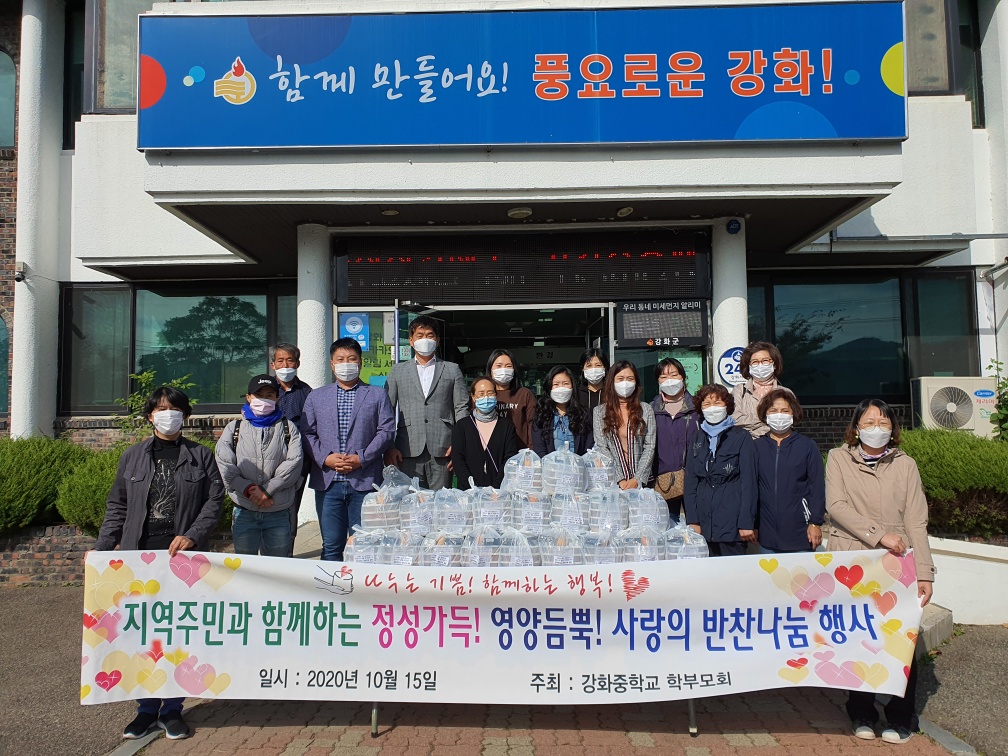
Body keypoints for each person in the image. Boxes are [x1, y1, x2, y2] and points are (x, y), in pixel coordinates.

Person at [96, 386, 224, 741]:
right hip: (139, 558)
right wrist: (102, 550)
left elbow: (214, 502)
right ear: (150, 416)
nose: (168, 415)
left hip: (181, 559)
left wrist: (192, 535)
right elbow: (117, 506)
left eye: (175, 409)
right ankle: (145, 710)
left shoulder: (201, 456)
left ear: (185, 415)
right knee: (143, 635)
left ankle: (172, 709)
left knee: (178, 633)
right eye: (161, 409)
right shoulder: (133, 457)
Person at [826, 399, 935, 745]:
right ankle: (861, 711)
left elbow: (916, 520)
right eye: (869, 422)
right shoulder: (838, 458)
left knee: (900, 640)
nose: (877, 428)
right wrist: (879, 535)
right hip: (852, 559)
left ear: (893, 428)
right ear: (856, 428)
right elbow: (836, 506)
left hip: (897, 564)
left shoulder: (906, 464)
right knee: (857, 637)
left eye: (884, 422)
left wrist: (925, 572)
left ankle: (901, 716)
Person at [303, 338, 396, 561]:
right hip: (328, 482)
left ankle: (363, 584)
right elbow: (307, 433)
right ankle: (331, 584)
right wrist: (325, 458)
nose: (346, 364)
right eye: (340, 359)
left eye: (351, 359)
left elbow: (386, 430)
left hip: (365, 481)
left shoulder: (377, 395)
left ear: (360, 363)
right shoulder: (316, 396)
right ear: (332, 364)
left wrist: (361, 458)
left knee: (365, 544)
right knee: (331, 546)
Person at [215, 375, 304, 557]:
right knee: (245, 566)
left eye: (269, 395)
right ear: (249, 397)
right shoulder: (234, 428)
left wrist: (267, 490)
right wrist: (248, 489)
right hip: (244, 509)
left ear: (277, 398)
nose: (264, 400)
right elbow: (225, 463)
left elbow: (294, 462)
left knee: (276, 566)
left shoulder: (288, 428)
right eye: (258, 395)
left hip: (278, 510)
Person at [383, 316, 469, 489]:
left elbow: (461, 408)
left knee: (441, 500)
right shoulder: (398, 371)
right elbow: (387, 411)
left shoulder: (452, 369)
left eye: (430, 335)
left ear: (437, 340)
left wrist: (459, 445)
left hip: (443, 449)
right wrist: (389, 446)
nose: (425, 339)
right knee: (410, 501)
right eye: (420, 335)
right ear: (411, 340)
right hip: (406, 449)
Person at [683, 383, 757, 557]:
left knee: (733, 571)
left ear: (727, 406)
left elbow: (749, 482)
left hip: (732, 520)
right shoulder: (697, 438)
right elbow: (691, 481)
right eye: (707, 404)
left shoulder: (741, 437)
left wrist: (746, 522)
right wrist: (693, 520)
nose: (712, 408)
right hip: (704, 522)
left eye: (717, 403)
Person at [753, 389, 824, 553]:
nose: (779, 415)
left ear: (793, 414)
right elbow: (751, 489)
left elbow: (817, 487)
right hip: (766, 536)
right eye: (773, 410)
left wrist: (815, 522)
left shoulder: (807, 446)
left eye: (785, 410)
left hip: (801, 534)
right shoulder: (757, 447)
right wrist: (753, 524)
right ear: (765, 414)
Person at [270, 342, 313, 556]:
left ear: (297, 363)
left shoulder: (307, 393)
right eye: (280, 361)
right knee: (266, 504)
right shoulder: (264, 390)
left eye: (290, 360)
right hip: (268, 460)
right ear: (273, 364)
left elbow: (312, 427)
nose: (285, 365)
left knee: (291, 507)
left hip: (298, 462)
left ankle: (287, 555)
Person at [592, 360, 656, 490]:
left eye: (630, 379)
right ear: (612, 382)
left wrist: (637, 479)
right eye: (620, 379)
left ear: (636, 382)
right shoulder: (599, 412)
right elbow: (602, 446)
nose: (625, 383)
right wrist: (619, 478)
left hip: (641, 483)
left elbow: (650, 446)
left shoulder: (646, 409)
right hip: (613, 482)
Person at [650, 358, 699, 522]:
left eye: (674, 374)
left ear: (683, 377)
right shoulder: (651, 410)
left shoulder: (698, 408)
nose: (669, 380)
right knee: (667, 526)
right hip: (663, 480)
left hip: (694, 479)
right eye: (663, 376)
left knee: (696, 526)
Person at [451, 375, 521, 489]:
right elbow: (458, 459)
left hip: (498, 492)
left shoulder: (506, 426)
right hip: (468, 492)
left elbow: (509, 459)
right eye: (481, 393)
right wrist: (471, 487)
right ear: (473, 397)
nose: (486, 397)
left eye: (490, 393)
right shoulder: (462, 426)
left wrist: (495, 489)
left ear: (496, 395)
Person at [731, 341, 790, 438]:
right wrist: (768, 419)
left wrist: (750, 423)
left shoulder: (786, 393)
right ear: (748, 366)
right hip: (747, 443)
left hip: (776, 443)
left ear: (774, 364)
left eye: (765, 360)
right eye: (755, 362)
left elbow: (788, 422)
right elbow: (735, 419)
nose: (760, 365)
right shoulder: (739, 391)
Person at [532, 365, 594, 456]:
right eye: (556, 384)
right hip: (549, 464)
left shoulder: (583, 414)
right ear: (549, 387)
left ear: (572, 386)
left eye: (565, 383)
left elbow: (588, 447)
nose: (561, 388)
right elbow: (539, 448)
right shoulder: (541, 415)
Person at [486, 348, 537, 449]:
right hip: (491, 452)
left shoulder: (524, 394)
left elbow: (533, 425)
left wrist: (531, 451)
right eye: (499, 366)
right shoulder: (484, 396)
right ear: (490, 369)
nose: (504, 370)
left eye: (508, 366)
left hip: (520, 453)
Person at [578, 347, 609, 413]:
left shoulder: (611, 393)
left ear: (605, 368)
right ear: (583, 369)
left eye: (598, 365)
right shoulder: (577, 395)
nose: (593, 369)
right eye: (589, 366)